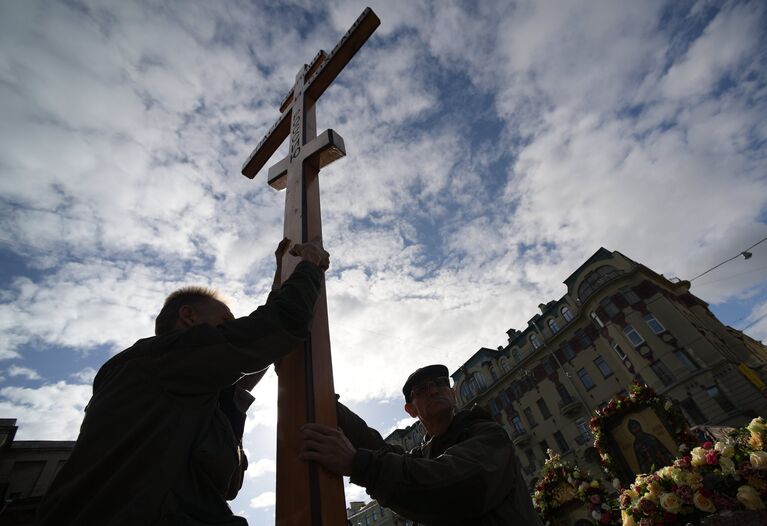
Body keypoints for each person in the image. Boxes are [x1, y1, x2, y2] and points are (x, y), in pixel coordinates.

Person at [37, 238, 329, 526]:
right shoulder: (160, 358)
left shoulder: (178, 390)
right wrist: (309, 265)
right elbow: (273, 329)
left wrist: (281, 281)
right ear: (188, 317)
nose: (231, 327)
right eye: (225, 321)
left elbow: (256, 353)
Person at [301, 364, 542, 525]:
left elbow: (454, 483)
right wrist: (327, 403)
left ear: (452, 393)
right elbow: (378, 447)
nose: (433, 390)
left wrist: (358, 464)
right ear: (410, 410)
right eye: (421, 389)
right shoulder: (425, 454)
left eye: (439, 383)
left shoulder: (487, 434)